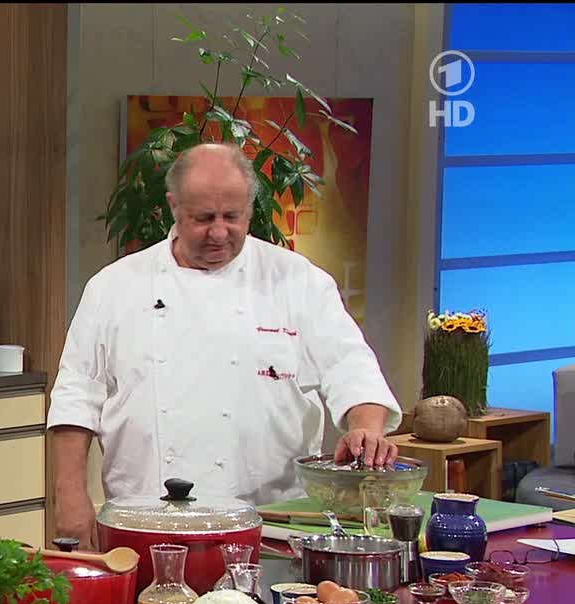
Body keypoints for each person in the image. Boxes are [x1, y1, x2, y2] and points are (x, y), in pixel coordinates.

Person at [49, 143, 401, 549]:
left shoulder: (297, 281)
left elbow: (349, 365)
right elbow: (77, 394)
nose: (219, 233)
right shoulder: (115, 286)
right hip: (143, 518)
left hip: (270, 520)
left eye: (232, 217)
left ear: (250, 208)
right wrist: (69, 496)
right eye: (203, 218)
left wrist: (365, 427)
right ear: (173, 206)